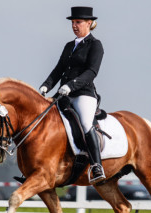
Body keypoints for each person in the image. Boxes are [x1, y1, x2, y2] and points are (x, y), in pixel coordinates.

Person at [40, 6, 105, 184]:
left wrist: (71, 85)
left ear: (89, 23)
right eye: (73, 22)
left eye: (78, 22)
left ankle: (96, 165)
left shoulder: (95, 45)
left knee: (85, 123)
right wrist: (46, 85)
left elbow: (92, 71)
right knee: (45, 119)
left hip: (84, 94)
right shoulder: (69, 46)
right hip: (64, 94)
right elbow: (59, 70)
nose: (74, 25)